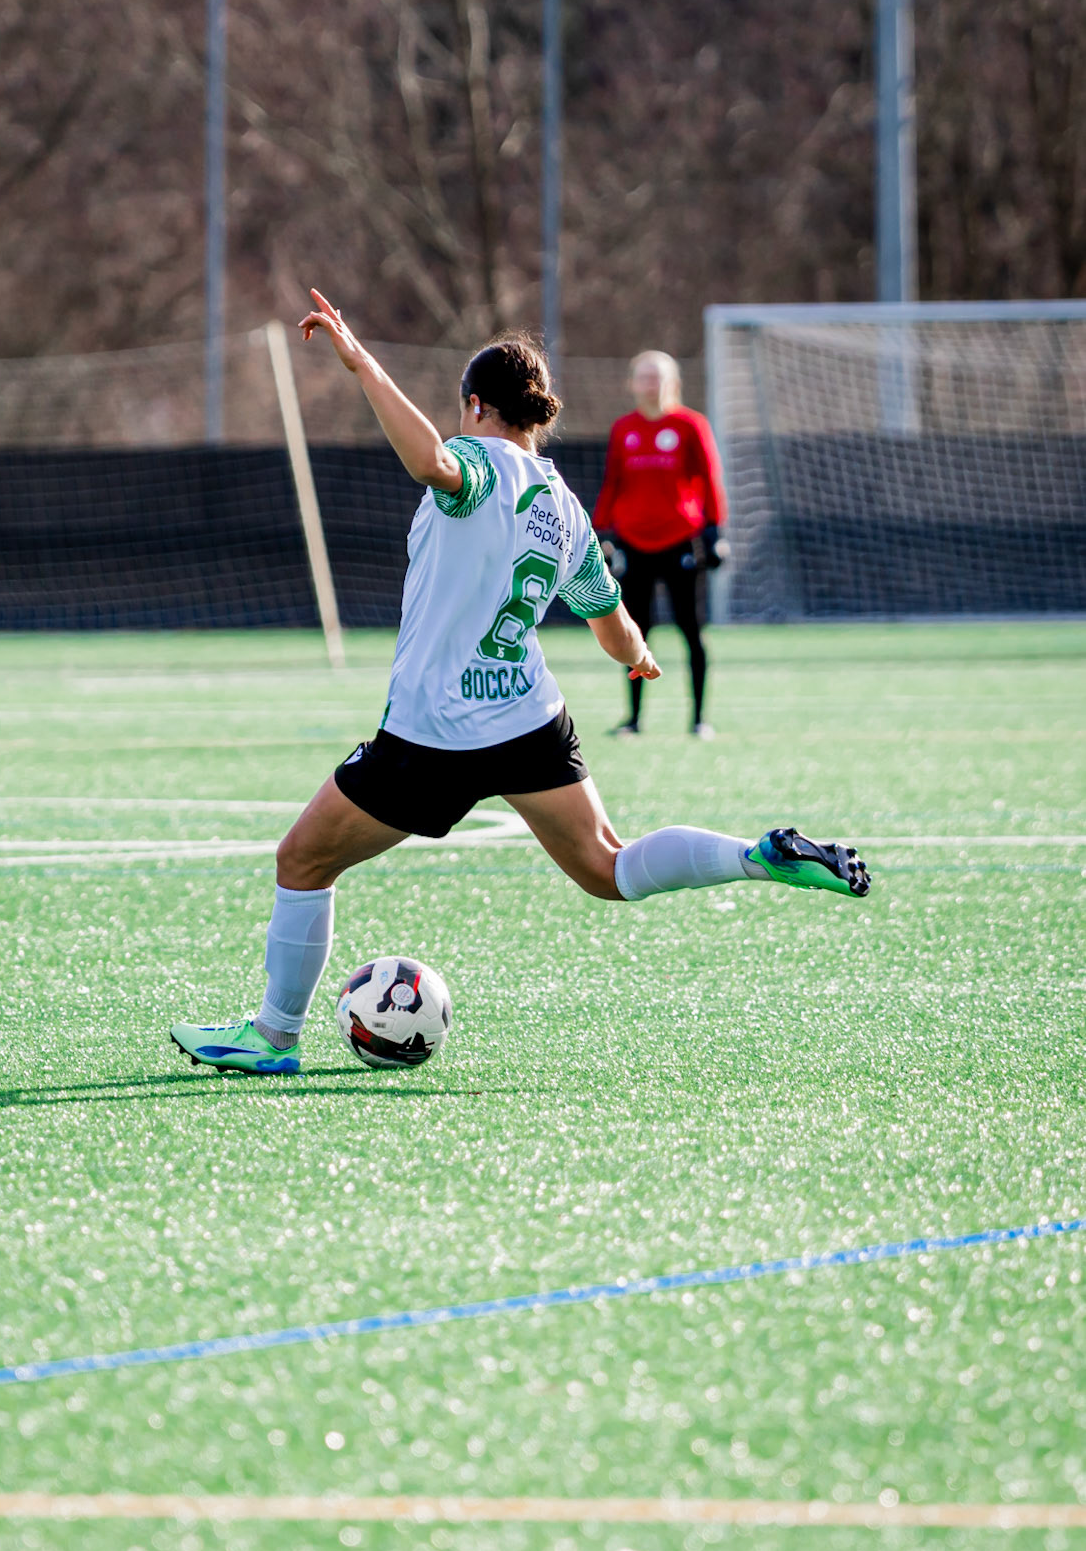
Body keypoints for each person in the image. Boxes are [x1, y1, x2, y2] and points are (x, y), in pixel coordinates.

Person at [170, 294, 869, 1076]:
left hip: (434, 733)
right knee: (608, 866)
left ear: (475, 405)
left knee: (302, 862)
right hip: (530, 718)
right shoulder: (563, 506)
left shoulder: (474, 465)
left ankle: (272, 1037)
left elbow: (430, 461)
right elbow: (613, 624)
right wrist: (636, 659)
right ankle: (753, 855)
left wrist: (361, 362)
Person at [593, 349, 728, 739]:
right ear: (632, 383)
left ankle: (699, 719)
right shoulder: (624, 429)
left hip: (679, 542)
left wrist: (714, 532)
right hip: (633, 543)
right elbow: (613, 483)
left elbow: (709, 480)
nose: (651, 384)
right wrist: (602, 533)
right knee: (634, 630)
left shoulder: (690, 425)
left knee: (691, 629)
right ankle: (633, 720)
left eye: (658, 377)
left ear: (673, 383)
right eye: (644, 377)